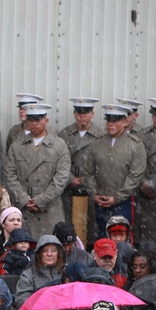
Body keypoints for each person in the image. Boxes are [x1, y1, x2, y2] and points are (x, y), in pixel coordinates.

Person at [3, 103, 72, 240]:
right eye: (30, 119)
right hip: (24, 209)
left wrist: (41, 200)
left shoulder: (59, 146)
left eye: (38, 119)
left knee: (49, 249)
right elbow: (9, 175)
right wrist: (24, 199)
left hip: (49, 209)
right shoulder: (16, 146)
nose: (34, 123)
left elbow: (61, 178)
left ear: (46, 120)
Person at [81, 104, 147, 236]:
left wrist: (117, 198)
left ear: (124, 122)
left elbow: (135, 176)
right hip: (100, 200)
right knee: (101, 237)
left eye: (115, 120)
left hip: (124, 201)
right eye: (108, 120)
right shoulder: (97, 143)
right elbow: (88, 171)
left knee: (123, 238)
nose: (110, 124)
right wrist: (94, 194)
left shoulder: (135, 145)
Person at [58, 98, 103, 239]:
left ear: (92, 114)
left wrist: (88, 180)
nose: (82, 116)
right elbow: (58, 160)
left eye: (86, 112)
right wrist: (70, 178)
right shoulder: (64, 134)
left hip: (91, 186)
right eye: (78, 112)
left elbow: (103, 163)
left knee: (90, 226)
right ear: (74, 113)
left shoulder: (100, 135)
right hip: (68, 187)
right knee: (69, 223)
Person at [134, 99, 156, 246]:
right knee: (142, 237)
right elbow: (135, 163)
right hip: (143, 194)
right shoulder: (142, 135)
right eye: (154, 114)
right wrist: (143, 183)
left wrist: (154, 184)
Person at [15, 235, 67, 308]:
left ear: (59, 253)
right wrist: (46, 302)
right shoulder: (28, 275)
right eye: (45, 250)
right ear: (39, 254)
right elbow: (21, 301)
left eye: (53, 250)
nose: (49, 254)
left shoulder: (67, 272)